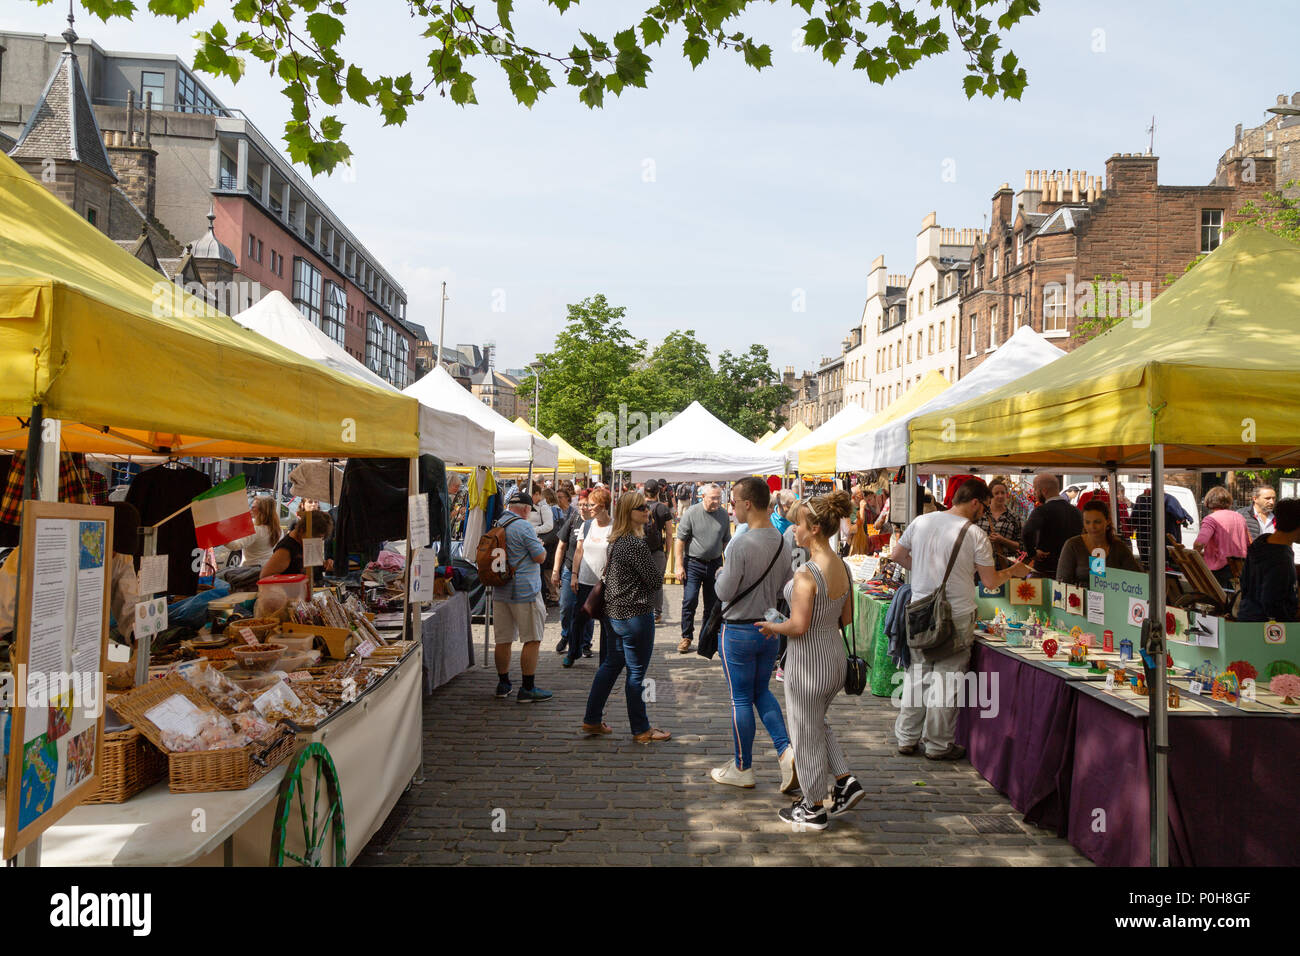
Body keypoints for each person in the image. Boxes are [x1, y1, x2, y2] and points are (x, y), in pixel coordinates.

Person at [891, 479, 1030, 760]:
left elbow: (897, 555)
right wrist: (1013, 571)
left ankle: (906, 737)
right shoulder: (974, 534)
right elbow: (990, 582)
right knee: (947, 680)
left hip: (920, 609)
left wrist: (921, 574)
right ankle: (938, 745)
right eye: (985, 506)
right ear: (976, 502)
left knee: (917, 674)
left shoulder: (921, 522)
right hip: (956, 615)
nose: (986, 513)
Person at [755, 491, 862, 830]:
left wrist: (773, 625)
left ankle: (813, 805)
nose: (793, 528)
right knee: (815, 722)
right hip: (833, 655)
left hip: (807, 661)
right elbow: (846, 618)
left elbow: (798, 626)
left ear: (814, 528)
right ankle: (845, 780)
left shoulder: (807, 574)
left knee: (803, 731)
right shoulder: (842, 566)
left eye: (798, 523)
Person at [710, 477, 796, 792]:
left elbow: (724, 592)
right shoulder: (781, 540)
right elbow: (785, 586)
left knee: (741, 698)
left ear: (748, 503)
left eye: (733, 502)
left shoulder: (741, 543)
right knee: (762, 692)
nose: (731, 509)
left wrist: (720, 574)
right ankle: (786, 752)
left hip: (739, 629)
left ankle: (743, 766)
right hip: (769, 628)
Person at [580, 492, 670, 743]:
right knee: (636, 673)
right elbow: (654, 580)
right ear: (628, 512)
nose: (647, 511)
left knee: (611, 665)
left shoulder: (617, 540)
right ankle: (641, 729)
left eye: (646, 508)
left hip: (615, 613)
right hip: (635, 615)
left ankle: (592, 719)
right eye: (641, 508)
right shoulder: (634, 544)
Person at [491, 491, 553, 702]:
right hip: (524, 590)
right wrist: (540, 547)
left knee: (503, 639)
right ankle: (527, 687)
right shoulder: (523, 526)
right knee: (532, 638)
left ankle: (503, 683)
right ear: (526, 509)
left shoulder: (496, 523)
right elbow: (539, 556)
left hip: (501, 590)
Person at [673, 483, 732, 654]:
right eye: (713, 498)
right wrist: (678, 565)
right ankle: (686, 636)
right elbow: (680, 540)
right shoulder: (692, 513)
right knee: (690, 600)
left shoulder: (722, 514)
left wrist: (727, 564)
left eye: (719, 498)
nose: (716, 501)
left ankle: (705, 638)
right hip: (693, 563)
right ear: (703, 497)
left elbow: (726, 541)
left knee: (711, 604)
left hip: (714, 564)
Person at [567, 487, 613, 667]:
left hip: (605, 583)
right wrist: (574, 574)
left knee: (605, 623)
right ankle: (573, 652)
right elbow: (579, 551)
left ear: (602, 506)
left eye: (592, 505)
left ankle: (605, 660)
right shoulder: (586, 525)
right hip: (585, 580)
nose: (588, 508)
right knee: (578, 619)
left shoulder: (614, 526)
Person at [1236, 498, 1300, 622]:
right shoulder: (1281, 559)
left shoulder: (1261, 543)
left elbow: (1244, 582)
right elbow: (1272, 602)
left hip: (1247, 616)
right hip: (1268, 630)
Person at [1056, 499, 1143, 584]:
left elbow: (1138, 579)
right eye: (1087, 522)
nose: (1092, 526)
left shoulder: (1119, 547)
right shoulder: (1072, 545)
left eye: (1097, 522)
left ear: (1108, 521)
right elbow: (1061, 582)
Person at [1020, 473, 1083, 576]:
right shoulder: (1076, 511)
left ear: (1044, 491)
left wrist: (1033, 553)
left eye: (1036, 489)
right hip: (1071, 569)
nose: (1034, 494)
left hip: (1046, 569)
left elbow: (1027, 532)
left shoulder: (1042, 510)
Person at [552, 493, 591, 655]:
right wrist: (556, 571)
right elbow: (561, 547)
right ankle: (566, 635)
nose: (583, 508)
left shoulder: (596, 524)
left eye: (586, 505)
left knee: (587, 609)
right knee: (566, 606)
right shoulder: (573, 521)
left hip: (589, 572)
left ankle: (585, 643)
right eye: (580, 504)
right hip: (569, 569)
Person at [1194, 486, 1250, 589]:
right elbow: (1249, 543)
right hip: (1239, 567)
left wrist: (1195, 556)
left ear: (1209, 501)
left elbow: (1200, 543)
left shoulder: (1211, 519)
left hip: (1218, 568)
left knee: (1219, 600)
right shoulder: (1240, 517)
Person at [262, 506, 333, 579]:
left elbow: (311, 567)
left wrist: (324, 564)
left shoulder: (309, 541)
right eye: (315, 537)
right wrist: (296, 580)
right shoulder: (286, 549)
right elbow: (265, 576)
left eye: (320, 538)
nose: (317, 540)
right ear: (302, 530)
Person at [640, 479, 674, 625]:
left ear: (644, 491)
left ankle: (641, 609)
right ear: (658, 491)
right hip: (657, 550)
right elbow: (669, 532)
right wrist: (667, 552)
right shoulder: (663, 509)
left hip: (640, 549)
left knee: (640, 581)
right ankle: (656, 613)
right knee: (657, 582)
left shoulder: (638, 507)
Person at [1132, 487, 1193, 567]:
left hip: (1145, 541)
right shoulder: (1169, 499)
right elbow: (1179, 516)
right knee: (1165, 564)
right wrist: (1183, 520)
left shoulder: (1141, 499)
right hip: (1165, 540)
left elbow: (1133, 519)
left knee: (1146, 564)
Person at [976, 478, 1023, 569]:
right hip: (981, 568)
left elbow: (1021, 546)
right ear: (990, 496)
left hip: (1006, 568)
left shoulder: (1013, 517)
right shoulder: (981, 514)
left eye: (1003, 493)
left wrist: (1003, 540)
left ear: (1007, 495)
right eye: (996, 493)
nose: (1000, 496)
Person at [228, 496, 281, 571]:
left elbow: (236, 545)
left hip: (250, 571)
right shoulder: (278, 529)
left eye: (253, 507)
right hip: (268, 568)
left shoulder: (256, 529)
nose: (250, 509)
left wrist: (220, 536)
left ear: (262, 510)